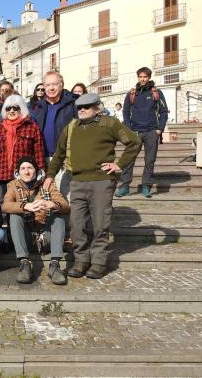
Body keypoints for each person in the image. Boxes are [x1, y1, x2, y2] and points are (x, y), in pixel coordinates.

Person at [46, 93, 140, 279]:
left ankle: (98, 262)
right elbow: (59, 153)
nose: (81, 110)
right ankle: (81, 261)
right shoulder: (72, 127)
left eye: (86, 107)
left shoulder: (109, 123)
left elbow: (134, 142)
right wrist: (50, 175)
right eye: (79, 107)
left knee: (100, 224)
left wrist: (119, 164)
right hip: (77, 181)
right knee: (76, 225)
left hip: (102, 182)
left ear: (97, 108)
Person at [2, 156, 70, 285]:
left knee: (59, 215)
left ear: (37, 171)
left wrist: (52, 204)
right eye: (23, 168)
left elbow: (65, 206)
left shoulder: (47, 185)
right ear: (18, 172)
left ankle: (55, 265)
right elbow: (5, 205)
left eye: (30, 168)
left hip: (46, 237)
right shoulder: (13, 185)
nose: (26, 172)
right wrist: (25, 206)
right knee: (14, 215)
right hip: (25, 238)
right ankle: (24, 264)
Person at [116, 67, 168, 198]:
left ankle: (146, 186)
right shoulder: (132, 93)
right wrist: (129, 128)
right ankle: (125, 186)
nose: (143, 79)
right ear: (138, 77)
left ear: (149, 77)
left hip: (151, 132)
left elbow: (163, 112)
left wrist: (159, 129)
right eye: (140, 77)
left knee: (150, 160)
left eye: (145, 77)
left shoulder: (156, 92)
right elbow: (125, 112)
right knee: (128, 160)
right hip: (135, 132)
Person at [0, 94, 45, 202]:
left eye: (15, 108)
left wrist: (41, 173)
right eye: (8, 108)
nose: (12, 111)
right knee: (4, 208)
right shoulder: (0, 129)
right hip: (4, 176)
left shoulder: (32, 127)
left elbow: (38, 152)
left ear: (21, 109)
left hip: (25, 176)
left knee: (25, 206)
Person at [31, 71, 77, 196]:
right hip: (43, 157)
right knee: (45, 195)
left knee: (64, 194)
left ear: (61, 85)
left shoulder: (72, 105)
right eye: (47, 85)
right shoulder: (37, 107)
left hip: (64, 158)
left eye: (55, 84)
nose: (51, 88)